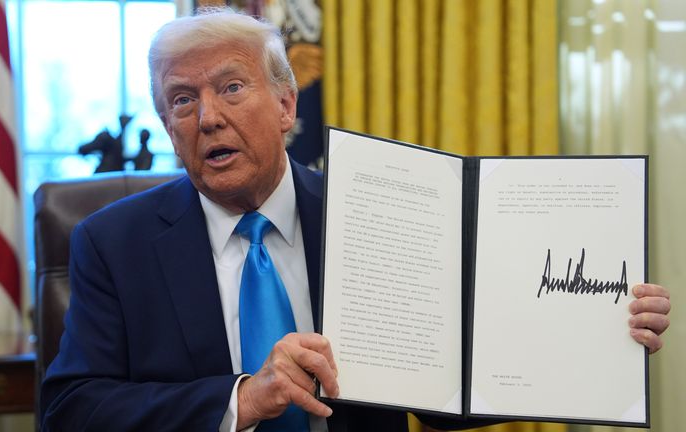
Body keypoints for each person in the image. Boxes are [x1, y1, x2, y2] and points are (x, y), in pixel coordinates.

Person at [40, 8, 672, 432]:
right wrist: (240, 399)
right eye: (182, 99)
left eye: (231, 88)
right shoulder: (112, 242)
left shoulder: (379, 214)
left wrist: (597, 331)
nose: (206, 117)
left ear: (287, 104)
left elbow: (458, 383)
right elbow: (69, 408)